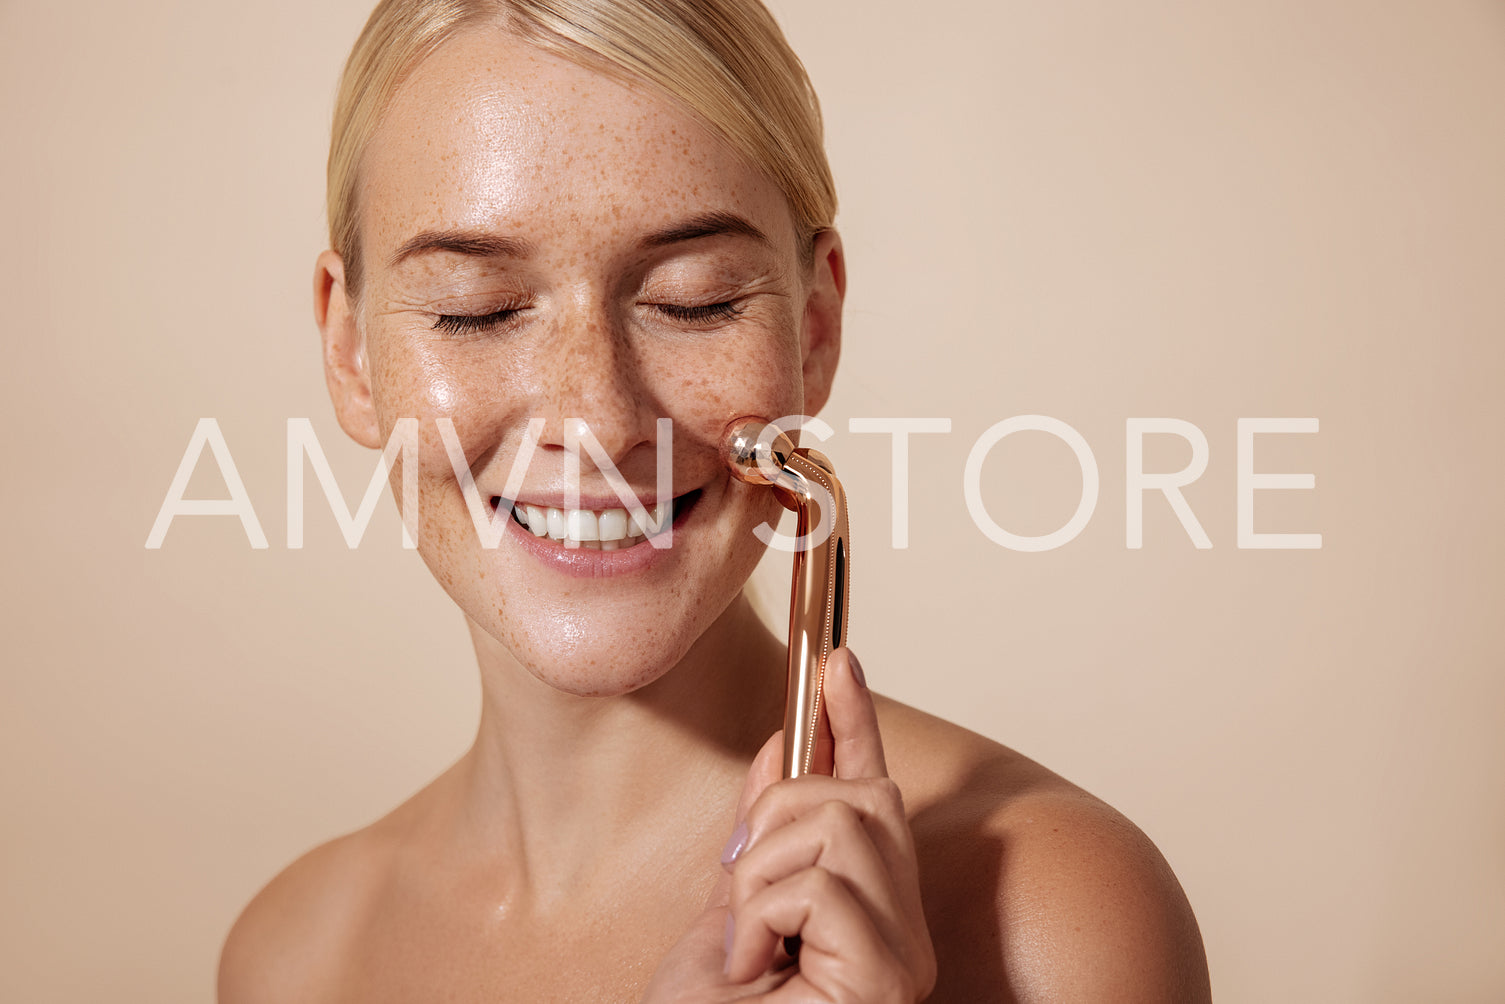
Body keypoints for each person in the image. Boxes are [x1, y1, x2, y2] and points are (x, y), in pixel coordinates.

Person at [218, 1, 1212, 1000]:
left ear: (812, 328)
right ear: (349, 352)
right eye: (476, 310)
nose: (600, 420)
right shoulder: (296, 956)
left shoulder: (1053, 922)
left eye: (694, 300)